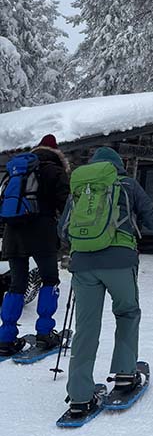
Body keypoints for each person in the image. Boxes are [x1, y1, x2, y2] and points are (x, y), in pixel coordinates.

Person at [58, 147, 153, 417]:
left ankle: (79, 396)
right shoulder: (127, 185)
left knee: (86, 326)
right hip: (120, 261)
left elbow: (63, 230)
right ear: (117, 166)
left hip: (83, 263)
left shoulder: (81, 188)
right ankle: (124, 374)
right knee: (126, 313)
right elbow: (152, 216)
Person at [0, 134, 70, 356]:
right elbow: (66, 205)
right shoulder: (55, 171)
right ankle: (45, 333)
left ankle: (5, 337)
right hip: (42, 232)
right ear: (56, 153)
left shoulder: (15, 171)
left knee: (16, 285)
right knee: (49, 280)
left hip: (14, 232)